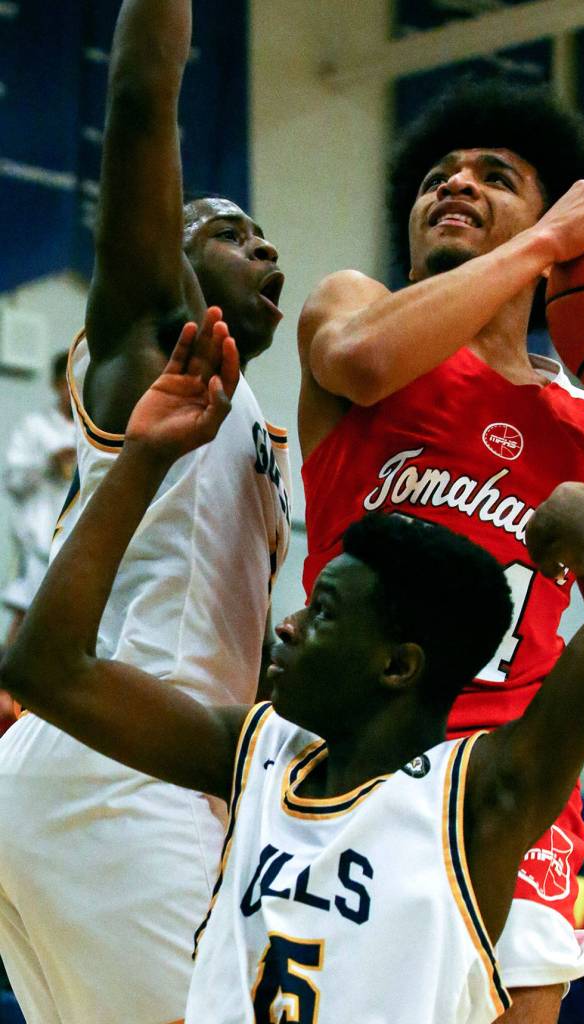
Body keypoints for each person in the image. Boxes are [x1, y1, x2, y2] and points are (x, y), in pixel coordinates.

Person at [0, 317, 584, 1024]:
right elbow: (45, 670)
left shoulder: (477, 802)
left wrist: (578, 505)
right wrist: (143, 458)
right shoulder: (260, 753)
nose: (290, 624)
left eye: (324, 611)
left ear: (396, 665)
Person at [297, 77, 584, 1022]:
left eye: (493, 175)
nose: (454, 184)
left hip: (511, 774)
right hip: (353, 750)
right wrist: (546, 240)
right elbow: (359, 362)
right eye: (436, 175)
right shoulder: (360, 310)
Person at [0, 0, 289, 1020]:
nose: (266, 252)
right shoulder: (148, 341)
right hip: (120, 769)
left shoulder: (244, 417)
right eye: (231, 234)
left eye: (267, 241)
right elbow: (138, 99)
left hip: (107, 762)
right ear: (170, 248)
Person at [2, 350, 75, 646]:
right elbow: (13, 479)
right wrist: (48, 463)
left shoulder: (93, 432)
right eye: (70, 383)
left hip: (75, 537)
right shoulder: (35, 427)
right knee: (26, 616)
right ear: (57, 385)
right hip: (38, 540)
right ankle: (10, 673)